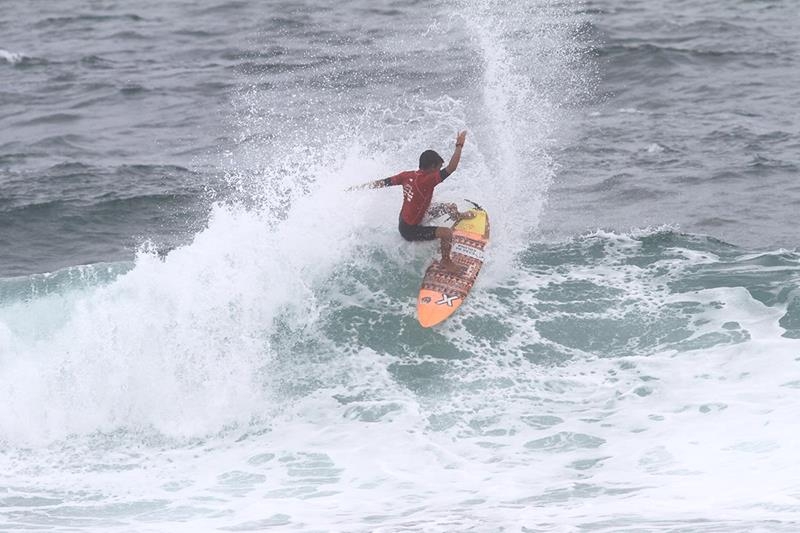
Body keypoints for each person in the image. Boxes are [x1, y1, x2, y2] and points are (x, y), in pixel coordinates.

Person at [349, 131, 473, 273]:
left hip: (404, 219)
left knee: (450, 206)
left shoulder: (407, 175)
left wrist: (360, 187)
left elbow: (384, 182)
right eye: (438, 168)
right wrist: (459, 144)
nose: (439, 171)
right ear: (432, 167)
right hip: (410, 230)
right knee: (446, 234)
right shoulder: (428, 180)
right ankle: (446, 261)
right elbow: (452, 167)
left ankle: (457, 216)